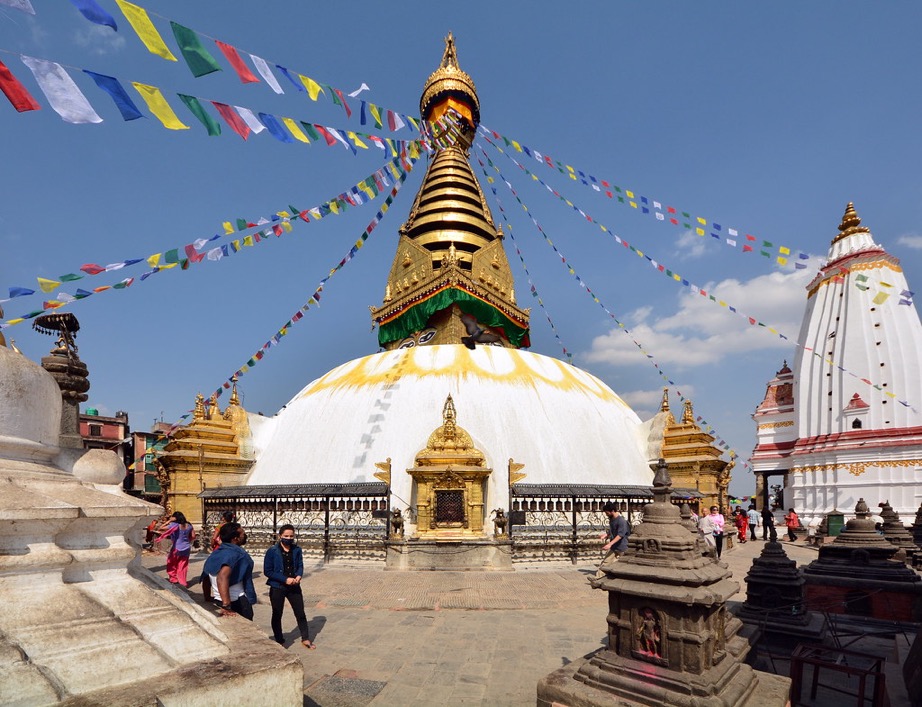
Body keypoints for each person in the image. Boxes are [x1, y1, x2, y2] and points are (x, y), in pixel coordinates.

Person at [264, 525, 315, 649]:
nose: (289, 538)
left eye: (291, 536)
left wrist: (298, 575)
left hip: (294, 586)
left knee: (300, 612)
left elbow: (300, 565)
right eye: (286, 536)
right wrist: (285, 579)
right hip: (277, 587)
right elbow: (268, 571)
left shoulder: (297, 549)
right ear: (280, 536)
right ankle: (279, 639)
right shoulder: (272, 551)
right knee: (277, 613)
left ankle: (306, 638)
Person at [202, 522, 257, 620]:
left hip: (218, 601)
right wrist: (226, 605)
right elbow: (222, 577)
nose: (244, 536)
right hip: (236, 602)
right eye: (242, 534)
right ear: (235, 538)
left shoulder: (215, 554)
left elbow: (206, 576)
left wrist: (207, 597)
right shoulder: (238, 555)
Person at [155, 511, 196, 586]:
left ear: (175, 518)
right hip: (186, 547)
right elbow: (193, 536)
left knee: (171, 563)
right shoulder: (189, 525)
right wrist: (187, 541)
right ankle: (183, 582)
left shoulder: (174, 525)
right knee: (183, 565)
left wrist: (169, 521)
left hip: (176, 548)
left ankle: (173, 579)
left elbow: (160, 528)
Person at [595, 502, 630, 578]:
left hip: (623, 547)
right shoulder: (612, 519)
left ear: (612, 511)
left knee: (625, 565)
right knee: (605, 562)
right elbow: (613, 531)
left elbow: (620, 535)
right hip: (614, 547)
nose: (606, 514)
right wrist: (606, 535)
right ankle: (597, 578)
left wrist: (609, 544)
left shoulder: (621, 521)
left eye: (607, 513)